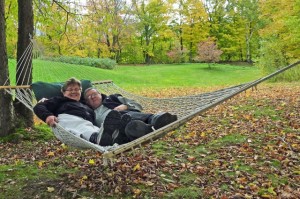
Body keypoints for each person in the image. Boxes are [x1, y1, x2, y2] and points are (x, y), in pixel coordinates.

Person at [33, 77, 130, 146]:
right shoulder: (59, 100)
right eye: (70, 90)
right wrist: (47, 116)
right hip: (68, 119)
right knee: (83, 127)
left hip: (89, 124)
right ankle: (97, 138)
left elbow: (101, 99)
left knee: (100, 130)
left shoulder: (86, 103)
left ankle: (117, 136)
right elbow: (39, 107)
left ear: (81, 92)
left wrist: (119, 103)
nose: (74, 91)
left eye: (76, 89)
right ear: (63, 92)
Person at [84, 87, 178, 141]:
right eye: (88, 97)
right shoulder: (90, 114)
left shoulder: (112, 98)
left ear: (100, 94)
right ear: (87, 102)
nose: (92, 97)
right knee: (128, 124)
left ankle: (155, 120)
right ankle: (146, 127)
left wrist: (125, 106)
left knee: (127, 116)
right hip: (116, 131)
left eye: (94, 94)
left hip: (129, 114)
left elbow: (137, 105)